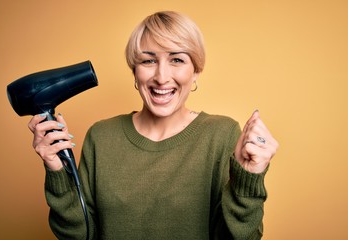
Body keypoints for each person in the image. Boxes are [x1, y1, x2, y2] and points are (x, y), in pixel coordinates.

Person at [28, 11, 278, 240]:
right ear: (135, 71)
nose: (161, 76)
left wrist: (249, 179)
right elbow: (79, 235)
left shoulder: (221, 135)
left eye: (177, 60)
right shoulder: (101, 137)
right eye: (148, 61)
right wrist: (57, 172)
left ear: (196, 72)